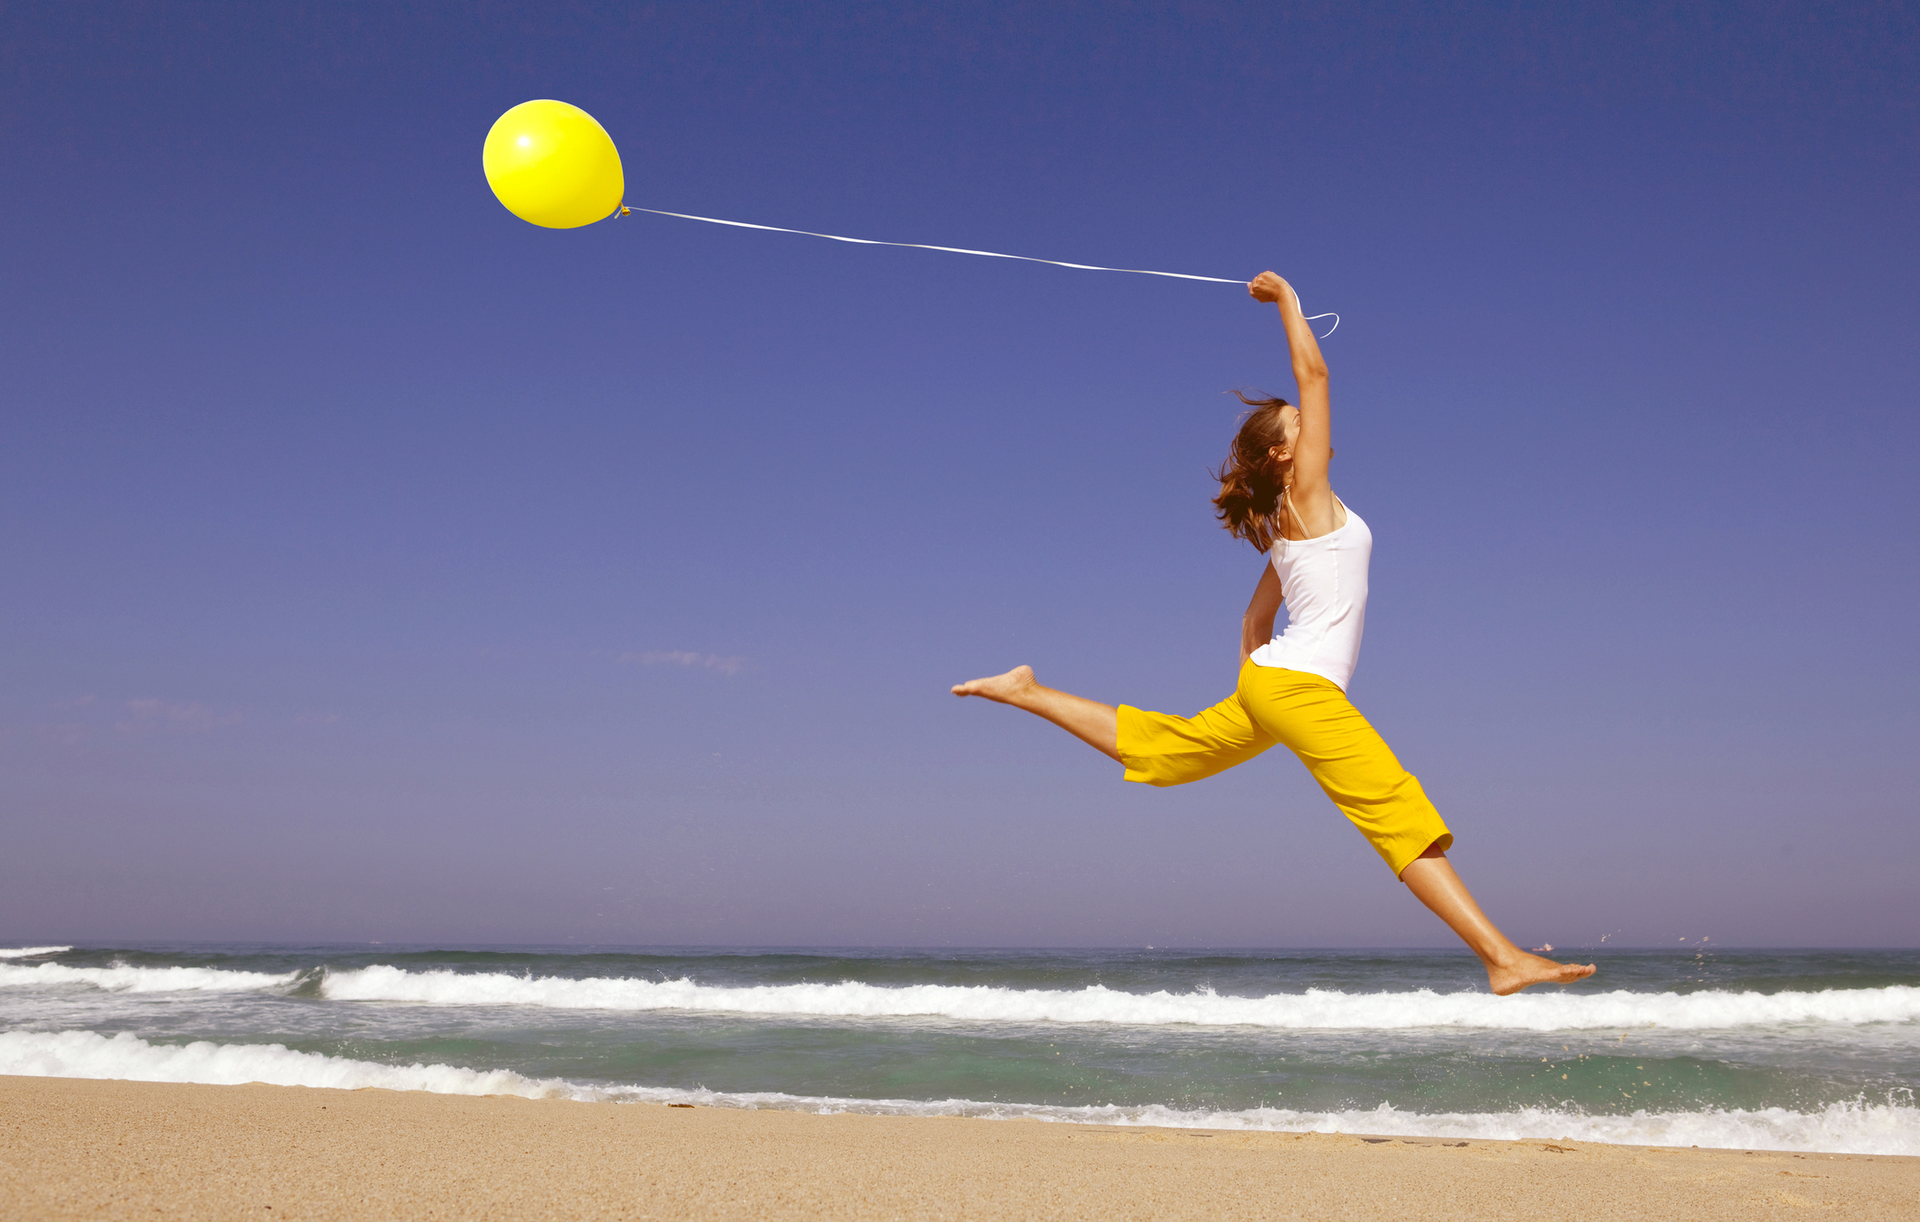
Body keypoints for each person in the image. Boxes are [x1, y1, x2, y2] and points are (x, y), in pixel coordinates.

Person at [953, 270, 1596, 995]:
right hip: (1295, 686)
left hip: (1276, 683)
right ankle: (1501, 958)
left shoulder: (1290, 531)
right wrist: (1288, 298)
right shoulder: (1307, 497)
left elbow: (1256, 620)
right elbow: (1314, 371)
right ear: (1286, 456)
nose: (1312, 427)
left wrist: (1255, 689)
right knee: (1390, 806)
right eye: (1298, 426)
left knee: (1172, 752)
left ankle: (1028, 691)